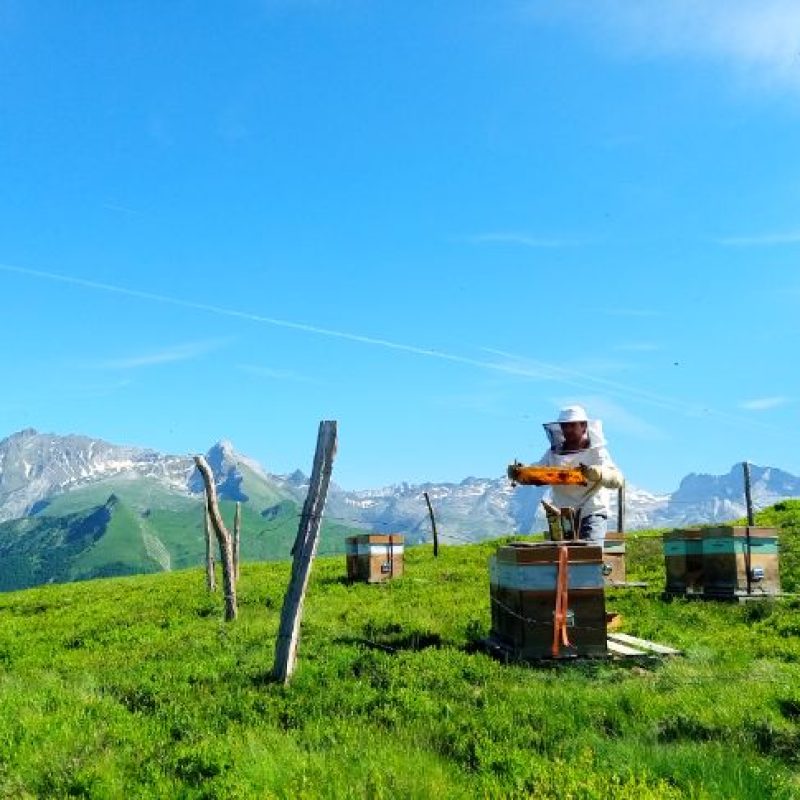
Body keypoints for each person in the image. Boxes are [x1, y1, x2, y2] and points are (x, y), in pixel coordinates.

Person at [532, 404, 623, 543]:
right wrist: (521, 473)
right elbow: (537, 472)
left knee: (589, 551)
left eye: (572, 425)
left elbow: (617, 479)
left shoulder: (597, 452)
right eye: (564, 426)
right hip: (562, 512)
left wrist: (599, 473)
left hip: (591, 510)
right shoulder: (552, 453)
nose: (568, 430)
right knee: (564, 554)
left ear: (584, 426)